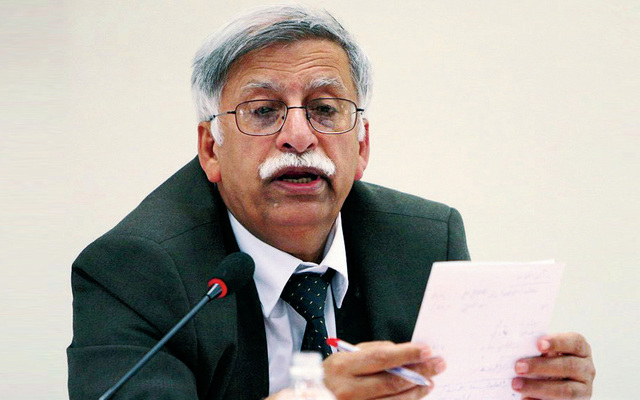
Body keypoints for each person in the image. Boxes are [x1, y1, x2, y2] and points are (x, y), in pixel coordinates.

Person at [67, 5, 595, 400]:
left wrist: (530, 389)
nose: (298, 136)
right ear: (210, 149)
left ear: (361, 145)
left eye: (324, 108)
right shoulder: (134, 270)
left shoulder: (424, 244)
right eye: (262, 110)